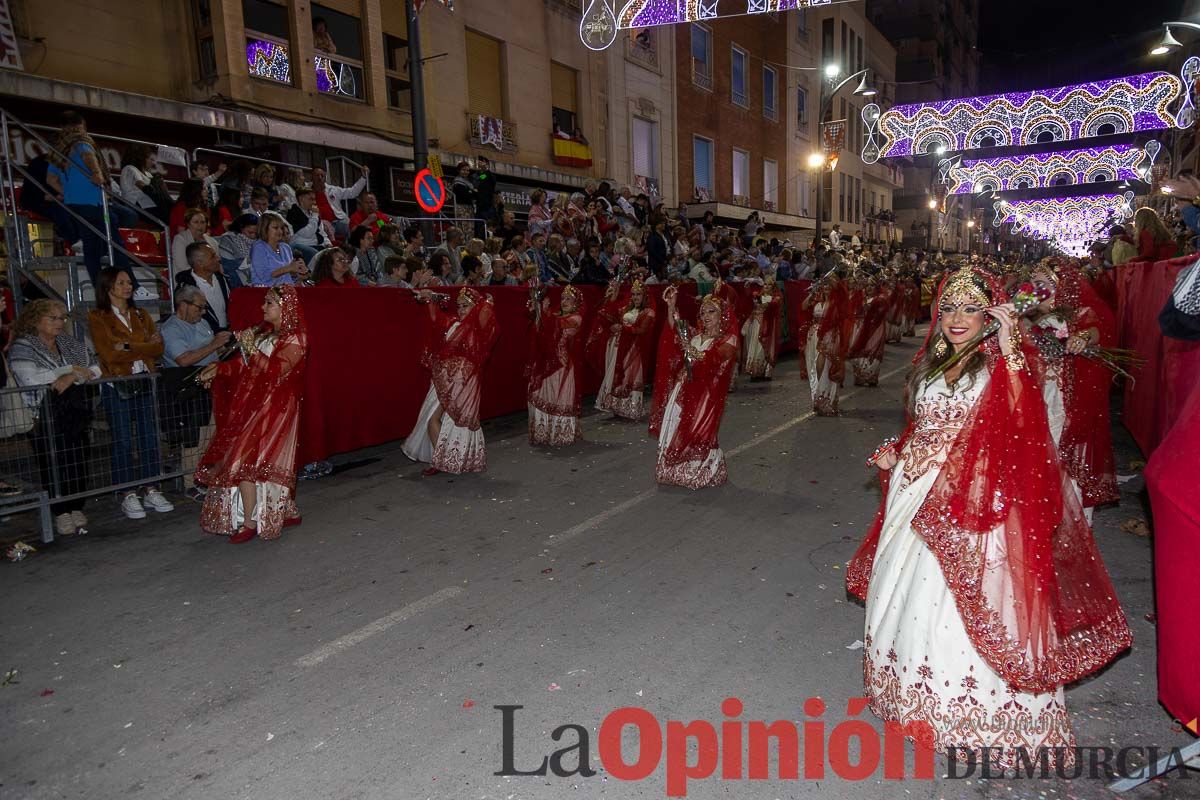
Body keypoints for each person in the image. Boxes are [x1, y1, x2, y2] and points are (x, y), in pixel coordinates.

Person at [846, 264, 1131, 771]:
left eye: (971, 308)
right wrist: (900, 450)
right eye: (950, 307)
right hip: (915, 490)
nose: (958, 318)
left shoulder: (999, 363)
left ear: (989, 314)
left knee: (953, 599)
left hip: (968, 495)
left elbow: (1025, 421)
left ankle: (969, 713)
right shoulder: (934, 361)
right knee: (904, 593)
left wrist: (1013, 348)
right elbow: (925, 422)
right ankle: (910, 698)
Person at [196, 285, 308, 543]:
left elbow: (276, 371)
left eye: (269, 303)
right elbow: (243, 367)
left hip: (276, 409)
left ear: (285, 308)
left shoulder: (296, 338)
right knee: (254, 460)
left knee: (249, 460)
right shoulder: (262, 333)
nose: (263, 308)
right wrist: (218, 370)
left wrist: (251, 349)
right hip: (253, 405)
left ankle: (250, 522)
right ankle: (282, 510)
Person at [1028, 261, 1119, 513]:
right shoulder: (1034, 320)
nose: (1035, 291)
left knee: (1062, 450)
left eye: (1041, 285)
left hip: (1064, 399)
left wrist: (1081, 338)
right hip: (1042, 394)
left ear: (1061, 287)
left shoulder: (1081, 313)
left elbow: (1095, 331)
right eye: (1033, 285)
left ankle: (1073, 513)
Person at [88, 268, 175, 520]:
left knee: (149, 437)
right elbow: (109, 353)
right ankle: (126, 492)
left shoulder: (140, 314)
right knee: (123, 440)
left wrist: (129, 346)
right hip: (118, 384)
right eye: (122, 282)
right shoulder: (98, 317)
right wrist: (142, 348)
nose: (128, 287)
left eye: (129, 282)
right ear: (108, 287)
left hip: (143, 380)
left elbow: (157, 347)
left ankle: (151, 487)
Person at [9, 299, 100, 537]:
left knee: (79, 458)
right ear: (35, 320)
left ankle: (76, 505)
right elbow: (30, 378)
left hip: (75, 411)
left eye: (62, 318)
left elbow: (96, 367)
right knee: (52, 461)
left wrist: (70, 377)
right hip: (43, 415)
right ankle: (60, 511)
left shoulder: (68, 343)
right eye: (53, 318)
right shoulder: (23, 346)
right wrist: (71, 371)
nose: (59, 323)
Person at [48, 111, 147, 296]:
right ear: (80, 125)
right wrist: (97, 173)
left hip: (74, 204)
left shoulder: (59, 149)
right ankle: (134, 287)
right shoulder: (82, 141)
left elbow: (50, 179)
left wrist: (68, 193)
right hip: (93, 201)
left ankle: (102, 290)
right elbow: (89, 157)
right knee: (115, 244)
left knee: (91, 250)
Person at [649, 287, 738, 489]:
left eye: (711, 311)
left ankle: (700, 470)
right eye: (703, 312)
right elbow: (676, 329)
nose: (705, 316)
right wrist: (671, 306)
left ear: (722, 315)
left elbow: (712, 359)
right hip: (683, 390)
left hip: (706, 396)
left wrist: (689, 349)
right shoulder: (696, 335)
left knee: (699, 431)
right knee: (675, 426)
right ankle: (674, 469)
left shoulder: (727, 340)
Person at [403, 288, 498, 475]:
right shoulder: (453, 323)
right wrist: (429, 299)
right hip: (443, 379)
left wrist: (487, 304)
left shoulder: (475, 328)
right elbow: (436, 320)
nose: (462, 310)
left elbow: (486, 318)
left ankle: (443, 461)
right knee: (432, 419)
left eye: (467, 306)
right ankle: (445, 460)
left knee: (434, 420)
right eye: (460, 306)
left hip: (461, 382)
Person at [161, 285, 229, 497]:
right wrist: (214, 344)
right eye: (199, 307)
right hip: (187, 386)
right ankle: (191, 482)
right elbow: (183, 359)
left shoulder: (203, 323)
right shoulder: (171, 329)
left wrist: (226, 347)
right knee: (193, 437)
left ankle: (208, 475)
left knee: (211, 433)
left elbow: (213, 350)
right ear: (183, 305)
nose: (202, 312)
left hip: (211, 384)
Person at [526, 286, 585, 446]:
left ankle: (560, 434)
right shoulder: (554, 316)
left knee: (560, 398)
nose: (564, 302)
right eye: (563, 298)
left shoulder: (576, 318)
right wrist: (537, 311)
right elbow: (541, 330)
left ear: (576, 303)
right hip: (547, 364)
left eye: (569, 299)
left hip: (562, 366)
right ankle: (544, 433)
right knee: (546, 395)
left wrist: (541, 311)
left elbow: (555, 326)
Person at [802, 272, 849, 416]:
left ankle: (828, 401)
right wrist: (812, 292)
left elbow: (841, 291)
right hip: (816, 337)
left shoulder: (837, 302)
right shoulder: (817, 302)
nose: (826, 289)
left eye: (829, 287)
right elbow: (803, 307)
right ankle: (819, 398)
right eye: (825, 287)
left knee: (829, 366)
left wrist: (830, 279)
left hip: (832, 337)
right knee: (816, 368)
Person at [175, 242, 231, 331]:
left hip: (225, 336)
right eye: (213, 256)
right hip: (202, 340)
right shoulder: (186, 288)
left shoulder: (222, 279)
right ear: (199, 263)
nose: (218, 258)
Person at [847, 278, 889, 387]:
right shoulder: (861, 298)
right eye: (867, 286)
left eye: (872, 285)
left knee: (872, 350)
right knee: (858, 350)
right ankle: (860, 376)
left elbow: (881, 312)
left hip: (875, 328)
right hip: (859, 327)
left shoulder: (880, 299)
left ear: (877, 287)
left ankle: (870, 376)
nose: (869, 288)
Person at [250, 211, 308, 286]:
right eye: (276, 228)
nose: (280, 231)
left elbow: (289, 276)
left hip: (287, 290)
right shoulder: (258, 247)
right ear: (265, 229)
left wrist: (299, 273)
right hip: (265, 292)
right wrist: (289, 268)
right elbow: (264, 277)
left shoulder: (285, 247)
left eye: (281, 228)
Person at [312, 164, 369, 240]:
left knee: (356, 231)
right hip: (321, 224)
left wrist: (363, 177)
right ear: (311, 177)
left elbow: (353, 192)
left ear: (325, 177)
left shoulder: (333, 190)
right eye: (317, 175)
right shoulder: (306, 191)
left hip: (339, 221)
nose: (319, 178)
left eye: (322, 175)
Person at [741, 279, 782, 380]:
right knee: (754, 345)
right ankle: (754, 372)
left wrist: (767, 305)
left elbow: (774, 305)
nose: (766, 286)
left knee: (764, 347)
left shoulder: (775, 298)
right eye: (765, 284)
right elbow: (748, 298)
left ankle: (765, 371)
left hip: (768, 325)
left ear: (773, 287)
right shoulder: (757, 295)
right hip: (755, 324)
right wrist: (747, 287)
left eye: (769, 284)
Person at [171, 208, 220, 282]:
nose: (200, 225)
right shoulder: (180, 239)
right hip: (187, 280)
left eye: (203, 222)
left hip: (211, 279)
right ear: (188, 224)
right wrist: (203, 276)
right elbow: (182, 266)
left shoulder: (212, 241)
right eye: (196, 222)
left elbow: (217, 264)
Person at [286, 188, 333, 264]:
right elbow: (307, 233)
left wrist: (328, 243)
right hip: (301, 245)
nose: (314, 202)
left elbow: (321, 232)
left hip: (317, 245)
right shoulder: (294, 212)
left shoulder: (313, 213)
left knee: (337, 254)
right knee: (316, 255)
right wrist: (315, 216)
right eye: (311, 199)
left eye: (314, 199)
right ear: (301, 199)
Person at [217, 213, 259, 289]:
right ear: (241, 227)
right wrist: (250, 261)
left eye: (255, 233)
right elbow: (227, 266)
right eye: (250, 232)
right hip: (236, 283)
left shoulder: (259, 241)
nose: (253, 236)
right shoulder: (227, 240)